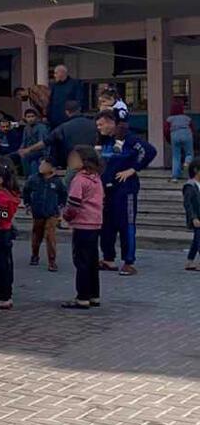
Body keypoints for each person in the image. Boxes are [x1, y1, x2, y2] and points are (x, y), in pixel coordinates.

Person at [95, 110, 156, 276]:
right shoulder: (104, 141)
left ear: (110, 122)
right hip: (106, 190)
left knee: (126, 225)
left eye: (101, 125)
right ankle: (108, 258)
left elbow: (149, 151)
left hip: (125, 190)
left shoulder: (130, 139)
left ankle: (129, 261)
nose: (99, 128)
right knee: (106, 225)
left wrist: (133, 169)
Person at [62, 146, 104, 309]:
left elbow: (73, 203)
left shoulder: (79, 179)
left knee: (81, 261)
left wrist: (66, 216)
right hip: (95, 222)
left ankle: (82, 296)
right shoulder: (96, 178)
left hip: (82, 223)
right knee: (92, 261)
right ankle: (94, 294)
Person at [23, 158, 67, 271]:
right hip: (37, 211)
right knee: (36, 235)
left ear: (52, 168)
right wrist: (27, 204)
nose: (41, 167)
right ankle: (35, 254)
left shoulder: (57, 182)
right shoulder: (33, 179)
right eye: (41, 164)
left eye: (45, 165)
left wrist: (61, 206)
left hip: (52, 212)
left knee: (50, 236)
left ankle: (52, 261)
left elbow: (63, 194)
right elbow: (26, 191)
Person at [0, 165, 20, 310]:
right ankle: (5, 294)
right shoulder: (9, 194)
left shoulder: (1, 196)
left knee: (1, 265)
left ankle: (3, 295)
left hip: (1, 231)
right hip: (6, 231)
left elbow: (4, 214)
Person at [18, 109, 51, 177]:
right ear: (25, 118)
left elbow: (42, 143)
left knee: (26, 157)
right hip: (29, 151)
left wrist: (27, 150)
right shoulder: (26, 128)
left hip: (41, 151)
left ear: (36, 117)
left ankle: (28, 178)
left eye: (32, 116)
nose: (31, 119)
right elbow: (24, 141)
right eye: (28, 117)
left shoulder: (41, 127)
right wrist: (20, 150)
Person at [166, 103, 194, 182]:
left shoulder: (169, 119)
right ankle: (187, 163)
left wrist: (169, 139)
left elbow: (166, 130)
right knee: (189, 153)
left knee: (176, 156)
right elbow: (192, 128)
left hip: (174, 135)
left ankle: (175, 177)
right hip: (187, 134)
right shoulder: (187, 118)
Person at [184, 160, 200, 270]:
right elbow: (188, 204)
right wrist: (193, 217)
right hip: (196, 217)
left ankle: (189, 262)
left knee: (196, 240)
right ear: (196, 170)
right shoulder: (190, 186)